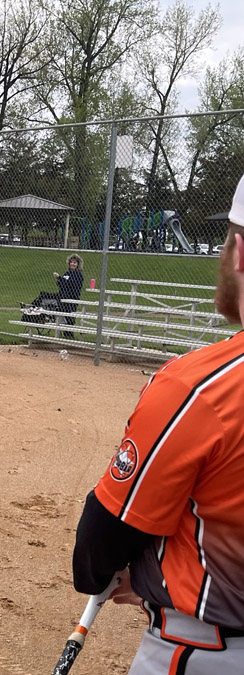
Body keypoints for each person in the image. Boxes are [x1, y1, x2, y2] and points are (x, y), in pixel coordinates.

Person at [71, 172, 244, 675]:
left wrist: (122, 572)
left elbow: (103, 538)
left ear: (240, 254)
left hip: (209, 652)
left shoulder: (198, 389)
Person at [53, 253, 84, 339]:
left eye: (75, 262)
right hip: (63, 296)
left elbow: (70, 283)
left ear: (78, 264)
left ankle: (69, 334)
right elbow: (61, 284)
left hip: (72, 297)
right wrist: (60, 280)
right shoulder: (67, 273)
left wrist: (59, 278)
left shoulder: (78, 274)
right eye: (71, 262)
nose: (72, 264)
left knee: (69, 316)